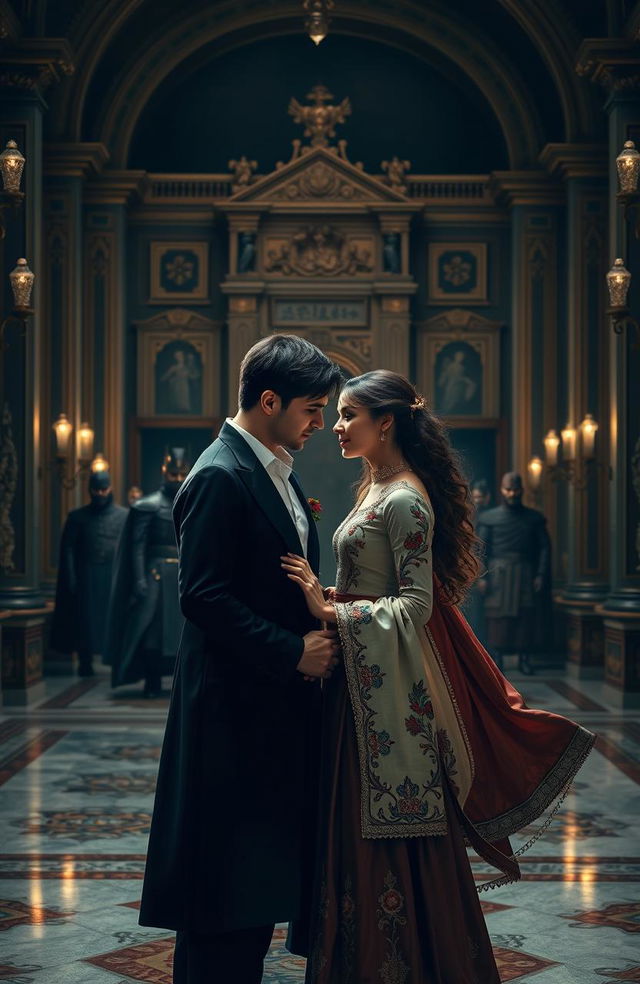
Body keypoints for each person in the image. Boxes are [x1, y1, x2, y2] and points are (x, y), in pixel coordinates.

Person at [281, 370, 595, 984]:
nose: (338, 427)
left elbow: (416, 606)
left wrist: (331, 610)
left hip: (389, 698)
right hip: (363, 685)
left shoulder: (405, 498)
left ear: (387, 422)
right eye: (336, 415)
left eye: (349, 416)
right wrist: (332, 596)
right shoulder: (375, 486)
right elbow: (380, 589)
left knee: (391, 830)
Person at [138, 335, 344, 984]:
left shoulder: (271, 468)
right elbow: (200, 597)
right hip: (228, 720)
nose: (320, 424)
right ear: (268, 400)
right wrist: (292, 652)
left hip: (265, 717)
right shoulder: (220, 475)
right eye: (312, 410)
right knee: (220, 906)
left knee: (249, 897)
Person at [104, 448, 190, 698]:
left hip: (182, 575)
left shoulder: (192, 501)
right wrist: (140, 579)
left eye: (181, 474)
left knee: (182, 631)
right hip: (154, 574)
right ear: (164, 472)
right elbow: (137, 546)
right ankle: (152, 680)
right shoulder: (146, 506)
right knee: (150, 630)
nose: (177, 479)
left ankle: (179, 682)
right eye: (173, 474)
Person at [50, 471, 127, 677]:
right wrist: (72, 579)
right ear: (90, 490)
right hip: (87, 577)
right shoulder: (77, 517)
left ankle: (115, 661)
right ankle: (85, 662)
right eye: (97, 490)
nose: (101, 494)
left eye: (104, 490)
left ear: (110, 488)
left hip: (112, 575)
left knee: (113, 620)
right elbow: (67, 550)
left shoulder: (123, 516)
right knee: (85, 621)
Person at [476, 471, 552, 676]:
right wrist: (482, 577)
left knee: (525, 617)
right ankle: (498, 658)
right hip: (497, 574)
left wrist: (541, 574)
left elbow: (544, 547)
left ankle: (524, 658)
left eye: (515, 489)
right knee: (497, 618)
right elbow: (480, 548)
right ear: (501, 490)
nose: (512, 493)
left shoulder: (534, 518)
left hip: (524, 573)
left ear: (522, 490)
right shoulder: (489, 518)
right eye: (508, 489)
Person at [464, 478, 492, 646]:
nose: (477, 501)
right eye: (474, 497)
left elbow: (487, 549)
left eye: (480, 497)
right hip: (470, 569)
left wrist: (483, 576)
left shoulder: (490, 518)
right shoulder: (469, 516)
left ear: (487, 498)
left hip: (487, 571)